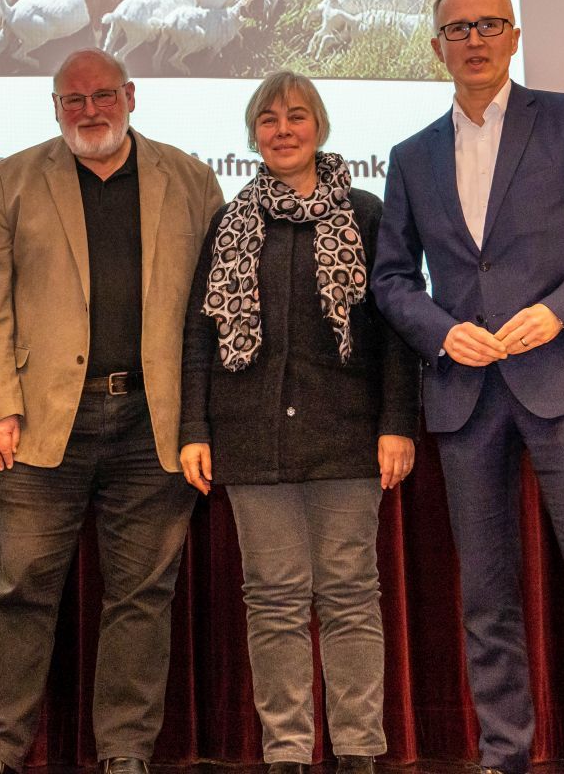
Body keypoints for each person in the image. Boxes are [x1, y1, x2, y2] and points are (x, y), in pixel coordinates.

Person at [371, 0, 564, 774]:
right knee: (486, 598)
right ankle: (504, 755)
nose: (475, 39)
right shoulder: (411, 156)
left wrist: (561, 311)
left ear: (514, 36)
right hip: (466, 397)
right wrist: (441, 331)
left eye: (489, 24)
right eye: (458, 29)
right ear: (437, 47)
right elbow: (391, 277)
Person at [0, 48, 223, 774]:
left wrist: (201, 422)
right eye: (72, 100)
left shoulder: (192, 179)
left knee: (142, 597)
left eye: (103, 95)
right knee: (18, 592)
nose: (89, 111)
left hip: (153, 426)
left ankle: (126, 752)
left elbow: (215, 310)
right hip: (41, 425)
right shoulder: (12, 179)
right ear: (55, 108)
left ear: (131, 96)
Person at [178, 71, 419, 774]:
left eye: (296, 116)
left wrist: (398, 421)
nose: (283, 130)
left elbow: (397, 327)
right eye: (268, 119)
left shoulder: (366, 214)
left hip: (348, 435)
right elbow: (199, 334)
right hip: (252, 438)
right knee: (274, 599)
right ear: (253, 133)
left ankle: (358, 750)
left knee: (350, 594)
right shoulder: (229, 221)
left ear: (320, 125)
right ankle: (286, 751)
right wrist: (194, 430)